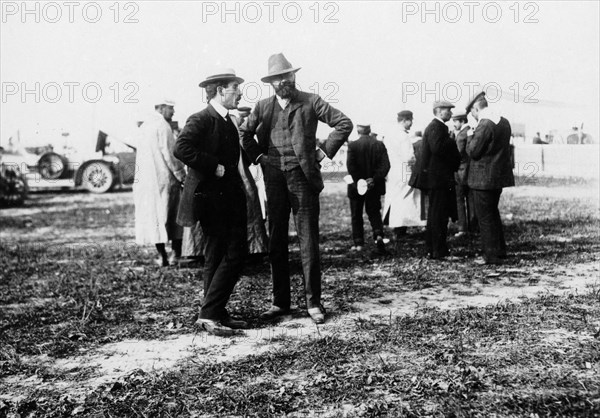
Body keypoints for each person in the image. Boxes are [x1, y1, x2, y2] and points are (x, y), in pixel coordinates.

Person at [241, 53, 353, 324]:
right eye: (278, 78)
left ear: (294, 77)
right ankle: (281, 303)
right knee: (276, 240)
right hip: (274, 180)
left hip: (303, 180)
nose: (284, 81)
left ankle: (313, 302)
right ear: (271, 82)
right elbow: (244, 134)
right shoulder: (263, 107)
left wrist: (322, 152)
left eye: (288, 76)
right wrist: (259, 158)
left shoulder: (311, 101)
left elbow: (344, 123)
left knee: (308, 240)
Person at [174, 69, 249, 336]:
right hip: (211, 199)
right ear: (219, 91)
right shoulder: (202, 118)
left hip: (228, 198)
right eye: (235, 88)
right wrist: (212, 165)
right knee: (234, 254)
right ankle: (209, 312)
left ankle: (215, 312)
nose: (240, 93)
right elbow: (181, 148)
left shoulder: (228, 120)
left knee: (216, 256)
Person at [133, 99, 186, 267]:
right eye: (171, 108)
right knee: (174, 216)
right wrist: (181, 175)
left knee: (155, 217)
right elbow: (170, 154)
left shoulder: (144, 127)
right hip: (165, 179)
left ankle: (161, 255)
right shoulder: (163, 126)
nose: (173, 112)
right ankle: (174, 255)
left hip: (147, 182)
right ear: (161, 108)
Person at [465, 91, 515, 265]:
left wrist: (471, 133)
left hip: (482, 178)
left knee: (485, 217)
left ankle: (491, 256)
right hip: (497, 176)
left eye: (471, 112)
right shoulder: (503, 121)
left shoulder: (484, 124)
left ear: (476, 108)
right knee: (492, 214)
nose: (471, 115)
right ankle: (499, 251)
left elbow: (473, 151)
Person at [413, 101, 461, 259]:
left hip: (437, 179)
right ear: (439, 112)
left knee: (436, 215)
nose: (451, 114)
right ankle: (438, 250)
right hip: (438, 179)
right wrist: (452, 142)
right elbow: (437, 148)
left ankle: (433, 249)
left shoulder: (436, 127)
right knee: (439, 215)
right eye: (448, 111)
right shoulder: (436, 127)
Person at [384, 110, 426, 247]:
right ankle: (401, 229)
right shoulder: (403, 136)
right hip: (404, 170)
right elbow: (409, 157)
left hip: (393, 169)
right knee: (405, 199)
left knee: (396, 198)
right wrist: (415, 162)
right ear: (405, 120)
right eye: (410, 120)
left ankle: (398, 228)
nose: (411, 123)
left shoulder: (390, 134)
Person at [346, 124, 390, 253]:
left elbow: (351, 167)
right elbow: (385, 165)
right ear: (370, 130)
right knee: (374, 211)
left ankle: (359, 243)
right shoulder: (379, 144)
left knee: (356, 214)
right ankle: (379, 235)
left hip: (356, 186)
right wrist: (374, 179)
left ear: (357, 131)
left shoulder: (352, 145)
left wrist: (360, 181)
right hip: (373, 185)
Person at [452, 113, 477, 237]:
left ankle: (462, 228)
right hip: (470, 171)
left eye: (455, 121)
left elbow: (459, 153)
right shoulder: (470, 132)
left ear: (461, 121)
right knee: (471, 199)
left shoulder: (462, 134)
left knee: (459, 200)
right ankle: (473, 227)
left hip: (460, 171)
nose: (454, 124)